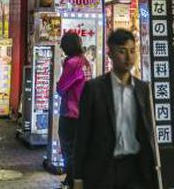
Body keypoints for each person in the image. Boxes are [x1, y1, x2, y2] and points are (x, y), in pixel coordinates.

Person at [73, 29, 158, 189]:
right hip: (103, 170)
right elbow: (82, 135)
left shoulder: (142, 89)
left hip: (135, 169)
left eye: (132, 51)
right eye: (122, 52)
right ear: (110, 54)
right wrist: (77, 177)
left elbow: (148, 132)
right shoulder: (94, 89)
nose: (129, 57)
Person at [57, 33, 92, 189]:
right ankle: (73, 179)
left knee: (68, 149)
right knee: (78, 150)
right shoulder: (85, 62)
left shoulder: (72, 63)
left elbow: (61, 88)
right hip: (84, 113)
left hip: (70, 113)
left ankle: (71, 181)